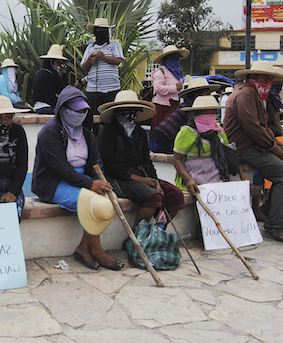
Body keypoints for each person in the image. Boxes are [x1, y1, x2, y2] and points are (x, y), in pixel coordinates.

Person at [32, 86, 122, 270]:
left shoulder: (86, 133)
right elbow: (59, 167)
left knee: (108, 201)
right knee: (92, 203)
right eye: (76, 110)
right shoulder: (49, 133)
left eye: (84, 111)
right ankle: (96, 249)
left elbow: (95, 160)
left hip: (82, 180)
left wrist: (99, 181)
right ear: (64, 110)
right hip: (54, 182)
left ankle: (83, 247)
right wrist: (90, 184)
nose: (80, 114)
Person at [224, 60, 283, 242]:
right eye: (266, 77)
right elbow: (252, 128)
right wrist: (273, 147)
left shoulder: (255, 95)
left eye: (270, 79)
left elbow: (263, 128)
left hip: (254, 146)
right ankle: (276, 225)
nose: (269, 82)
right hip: (244, 148)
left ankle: (270, 212)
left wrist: (280, 147)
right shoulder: (245, 95)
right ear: (254, 77)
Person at [97, 90, 185, 229]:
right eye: (127, 110)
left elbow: (147, 161)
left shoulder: (140, 132)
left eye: (134, 110)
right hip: (120, 179)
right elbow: (109, 167)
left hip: (142, 174)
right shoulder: (108, 133)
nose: (131, 113)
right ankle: (137, 235)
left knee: (175, 195)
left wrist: (155, 180)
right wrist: (140, 180)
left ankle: (158, 231)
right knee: (154, 198)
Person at [173, 95, 233, 195]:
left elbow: (228, 153)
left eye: (212, 112)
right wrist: (188, 179)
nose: (209, 115)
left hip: (218, 174)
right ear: (195, 114)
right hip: (194, 175)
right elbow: (177, 159)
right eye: (205, 113)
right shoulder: (187, 132)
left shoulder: (219, 131)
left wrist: (241, 173)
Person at [149, 76, 220, 153]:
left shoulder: (189, 104)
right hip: (162, 140)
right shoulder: (191, 108)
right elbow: (195, 129)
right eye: (207, 94)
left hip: (161, 137)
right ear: (197, 94)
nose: (208, 96)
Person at [80, 18, 124, 129]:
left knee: (112, 121)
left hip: (112, 89)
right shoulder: (90, 47)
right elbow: (84, 68)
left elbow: (118, 61)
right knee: (93, 121)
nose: (102, 33)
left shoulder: (115, 44)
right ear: (95, 33)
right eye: (99, 31)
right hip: (94, 90)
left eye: (104, 31)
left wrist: (103, 57)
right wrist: (91, 58)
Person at [151, 45, 188, 131]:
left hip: (175, 106)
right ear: (168, 59)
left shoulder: (177, 73)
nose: (177, 61)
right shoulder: (160, 72)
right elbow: (158, 88)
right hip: (163, 107)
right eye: (174, 58)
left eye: (178, 58)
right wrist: (175, 87)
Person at [32, 44, 67, 114]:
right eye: (58, 63)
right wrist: (64, 74)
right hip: (47, 107)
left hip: (36, 107)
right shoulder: (52, 74)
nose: (59, 66)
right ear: (51, 62)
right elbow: (64, 90)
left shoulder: (40, 72)